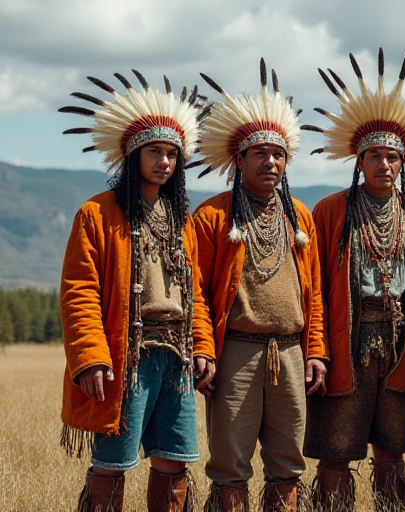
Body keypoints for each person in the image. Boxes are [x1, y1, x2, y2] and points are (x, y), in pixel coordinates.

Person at [58, 71, 214, 512]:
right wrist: (91, 357)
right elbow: (79, 291)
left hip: (177, 356)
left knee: (174, 463)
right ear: (133, 155)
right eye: (154, 152)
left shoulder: (182, 218)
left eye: (171, 153)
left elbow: (195, 293)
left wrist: (203, 346)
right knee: (113, 463)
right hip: (127, 357)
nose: (164, 161)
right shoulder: (97, 214)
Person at [299, 49, 405, 512]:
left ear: (404, 163)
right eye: (375, 156)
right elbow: (314, 290)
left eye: (393, 156)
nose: (384, 164)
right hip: (346, 341)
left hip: (398, 342)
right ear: (358, 161)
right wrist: (317, 350)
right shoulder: (330, 211)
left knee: (392, 448)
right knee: (335, 450)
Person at [191, 59, 326, 512]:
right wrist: (204, 349)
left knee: (288, 461)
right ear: (239, 160)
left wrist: (317, 352)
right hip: (237, 352)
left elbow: (316, 295)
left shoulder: (300, 217)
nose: (271, 161)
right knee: (229, 462)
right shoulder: (212, 216)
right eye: (260, 154)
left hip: (290, 352)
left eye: (278, 154)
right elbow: (196, 293)